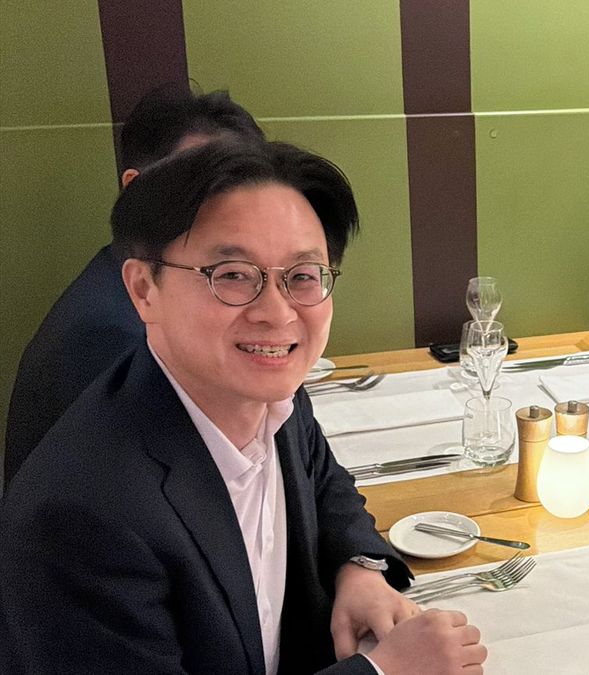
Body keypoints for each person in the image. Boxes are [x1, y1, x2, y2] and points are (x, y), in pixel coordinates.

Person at [0, 139, 487, 674]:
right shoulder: (82, 515)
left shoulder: (270, 392)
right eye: (232, 274)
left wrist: (359, 568)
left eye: (302, 276)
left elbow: (323, 480)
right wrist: (383, 671)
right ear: (144, 290)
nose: (277, 313)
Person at [4, 85, 264, 489]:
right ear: (136, 189)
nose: (229, 216)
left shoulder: (165, 287)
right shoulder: (114, 335)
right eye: (202, 191)